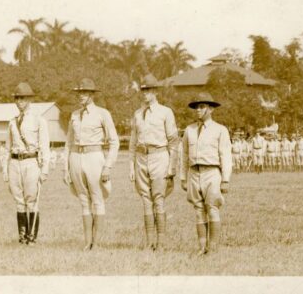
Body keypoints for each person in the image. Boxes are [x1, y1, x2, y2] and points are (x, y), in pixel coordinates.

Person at [63, 78, 120, 251]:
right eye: (79, 92)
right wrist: (65, 168)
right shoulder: (74, 115)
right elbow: (68, 142)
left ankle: (97, 242)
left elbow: (114, 141)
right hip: (76, 157)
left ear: (92, 95)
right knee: (83, 200)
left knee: (97, 199)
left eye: (85, 92)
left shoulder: (102, 114)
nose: (81, 96)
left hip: (94, 157)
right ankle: (87, 242)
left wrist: (108, 166)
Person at [128, 74, 180, 251]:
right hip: (141, 157)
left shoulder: (165, 112)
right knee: (145, 199)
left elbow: (173, 141)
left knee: (159, 198)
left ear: (156, 92)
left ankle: (161, 242)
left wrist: (172, 166)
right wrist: (131, 166)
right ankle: (149, 242)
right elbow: (133, 142)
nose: (145, 93)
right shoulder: (137, 114)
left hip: (160, 156)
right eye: (143, 90)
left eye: (149, 90)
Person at [179, 92, 231, 256]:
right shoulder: (190, 130)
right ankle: (202, 247)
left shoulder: (220, 130)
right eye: (196, 107)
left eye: (202, 107)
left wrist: (225, 179)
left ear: (210, 109)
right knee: (198, 209)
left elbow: (225, 155)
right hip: (194, 172)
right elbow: (184, 155)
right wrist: (183, 177)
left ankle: (213, 247)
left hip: (212, 172)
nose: (198, 110)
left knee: (212, 208)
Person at [3, 82, 51, 245]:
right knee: (19, 201)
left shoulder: (39, 120)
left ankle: (32, 237)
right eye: (17, 98)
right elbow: (7, 148)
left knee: (31, 200)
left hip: (31, 162)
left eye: (22, 98)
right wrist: (5, 170)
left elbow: (45, 147)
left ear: (29, 100)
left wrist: (45, 170)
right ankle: (22, 237)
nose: (19, 102)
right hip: (15, 162)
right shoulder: (12, 122)